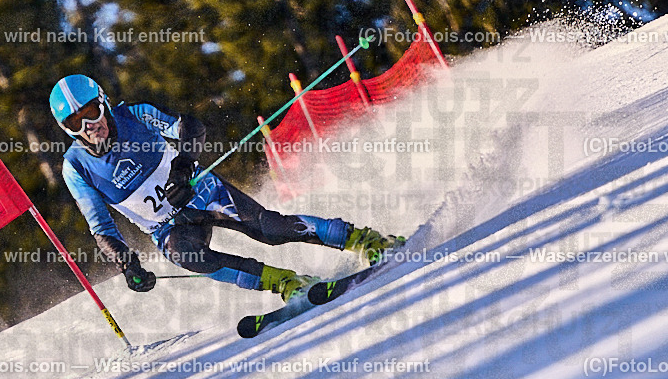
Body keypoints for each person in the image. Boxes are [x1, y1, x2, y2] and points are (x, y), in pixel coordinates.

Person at [49, 74, 403, 301]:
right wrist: (128, 265)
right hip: (167, 227)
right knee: (188, 256)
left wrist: (183, 170)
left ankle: (363, 239)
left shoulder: (135, 115)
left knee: (269, 229)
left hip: (201, 192)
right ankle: (285, 283)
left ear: (104, 101)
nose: (90, 126)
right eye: (76, 122)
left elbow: (191, 128)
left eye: (92, 112)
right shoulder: (75, 167)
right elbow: (102, 229)